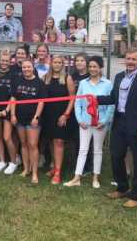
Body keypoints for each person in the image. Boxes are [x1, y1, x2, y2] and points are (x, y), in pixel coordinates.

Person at [97, 49, 137, 208]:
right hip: (119, 122)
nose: (130, 62)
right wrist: (93, 98)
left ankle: (136, 195)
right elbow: (112, 98)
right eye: (128, 58)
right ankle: (122, 187)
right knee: (116, 155)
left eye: (134, 59)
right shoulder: (118, 77)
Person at [65, 56, 114, 188]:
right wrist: (80, 120)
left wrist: (104, 121)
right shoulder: (83, 83)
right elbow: (78, 102)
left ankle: (95, 177)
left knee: (97, 150)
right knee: (83, 149)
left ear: (100, 68)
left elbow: (111, 104)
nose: (92, 69)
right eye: (90, 66)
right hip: (85, 123)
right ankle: (77, 177)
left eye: (95, 67)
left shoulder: (108, 84)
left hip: (100, 124)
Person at [10, 58, 47, 184]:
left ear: (33, 68)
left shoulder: (39, 83)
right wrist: (13, 115)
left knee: (33, 145)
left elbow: (41, 102)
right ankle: (26, 169)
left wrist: (36, 117)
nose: (26, 69)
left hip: (33, 120)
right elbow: (13, 98)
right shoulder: (17, 80)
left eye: (28, 67)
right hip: (20, 117)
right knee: (23, 144)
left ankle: (35, 173)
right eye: (24, 67)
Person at [42, 55, 75, 184]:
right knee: (51, 141)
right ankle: (54, 166)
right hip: (48, 115)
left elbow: (72, 98)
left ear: (63, 64)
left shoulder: (67, 78)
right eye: (54, 62)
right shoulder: (45, 78)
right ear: (51, 63)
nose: (56, 64)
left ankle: (58, 173)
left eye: (59, 62)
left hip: (61, 115)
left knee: (59, 142)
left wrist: (66, 114)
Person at [0, 51, 19, 175]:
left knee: (7, 137)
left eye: (6, 61)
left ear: (10, 61)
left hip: (8, 109)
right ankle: (2, 161)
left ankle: (13, 162)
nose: (4, 63)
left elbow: (14, 95)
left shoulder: (13, 74)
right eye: (2, 60)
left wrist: (6, 110)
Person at [69, 52, 93, 174]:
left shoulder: (91, 76)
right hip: (75, 112)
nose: (79, 62)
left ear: (87, 63)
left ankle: (88, 166)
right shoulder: (72, 76)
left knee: (87, 141)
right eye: (77, 60)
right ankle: (79, 164)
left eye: (82, 60)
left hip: (88, 113)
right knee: (77, 140)